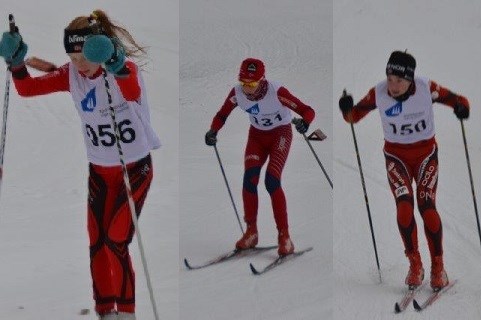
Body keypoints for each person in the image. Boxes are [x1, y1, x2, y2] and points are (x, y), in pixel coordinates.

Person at [0, 10, 160, 320]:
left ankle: (127, 313)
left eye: (85, 57)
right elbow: (27, 89)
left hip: (133, 169)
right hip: (99, 171)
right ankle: (106, 311)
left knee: (117, 240)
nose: (79, 66)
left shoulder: (124, 70)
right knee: (97, 241)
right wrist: (17, 63)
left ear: (100, 48)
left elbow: (131, 89)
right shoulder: (71, 75)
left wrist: (113, 60)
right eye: (73, 59)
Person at [339, 50, 469, 290]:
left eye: (399, 80)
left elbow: (459, 100)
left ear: (410, 80)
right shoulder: (378, 93)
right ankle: (415, 264)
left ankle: (438, 267)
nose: (393, 85)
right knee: (404, 206)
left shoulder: (426, 88)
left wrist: (462, 108)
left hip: (425, 156)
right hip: (395, 157)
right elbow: (353, 116)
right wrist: (346, 108)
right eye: (390, 78)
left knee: (426, 205)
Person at [205, 58, 315, 256]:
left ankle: (285, 237)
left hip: (280, 135)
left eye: (252, 84)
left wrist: (305, 123)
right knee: (250, 180)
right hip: (256, 136)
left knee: (272, 181)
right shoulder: (237, 93)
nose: (247, 88)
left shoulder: (276, 91)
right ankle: (251, 232)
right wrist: (213, 131)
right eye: (243, 83)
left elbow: (307, 110)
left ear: (262, 80)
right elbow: (222, 114)